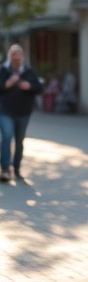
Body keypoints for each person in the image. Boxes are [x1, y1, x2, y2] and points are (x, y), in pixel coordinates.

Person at [0, 44, 44, 181]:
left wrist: (29, 86)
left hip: (24, 112)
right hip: (5, 110)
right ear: (10, 57)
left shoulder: (28, 71)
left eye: (19, 58)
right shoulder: (3, 70)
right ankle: (5, 169)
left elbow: (39, 87)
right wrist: (8, 83)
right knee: (7, 137)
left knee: (19, 140)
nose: (17, 61)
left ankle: (16, 168)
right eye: (15, 58)